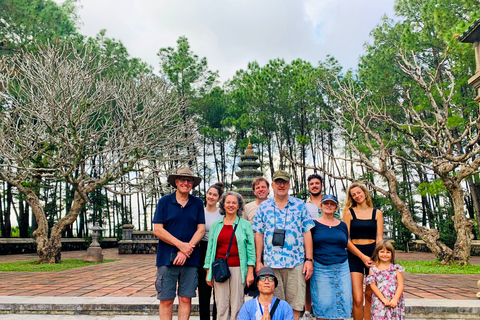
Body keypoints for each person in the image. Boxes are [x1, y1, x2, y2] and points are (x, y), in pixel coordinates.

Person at [253, 170, 315, 320]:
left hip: (295, 262)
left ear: (289, 185)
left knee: (295, 304)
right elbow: (259, 234)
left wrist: (309, 260)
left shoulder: (300, 205)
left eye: (285, 182)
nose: (281, 185)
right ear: (272, 185)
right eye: (278, 182)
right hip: (271, 263)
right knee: (274, 303)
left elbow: (307, 233)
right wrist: (259, 261)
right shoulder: (264, 207)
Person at [153, 167, 206, 320]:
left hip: (190, 259)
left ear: (192, 184)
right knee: (166, 299)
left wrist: (185, 250)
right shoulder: (164, 202)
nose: (185, 183)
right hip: (166, 259)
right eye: (182, 180)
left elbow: (201, 230)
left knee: (185, 298)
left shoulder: (197, 203)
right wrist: (180, 245)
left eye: (189, 180)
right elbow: (157, 229)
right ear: (176, 182)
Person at [204, 191, 256, 320]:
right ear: (223, 205)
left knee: (237, 303)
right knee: (221, 304)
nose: (231, 205)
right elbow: (210, 249)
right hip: (220, 269)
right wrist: (208, 271)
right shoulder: (216, 225)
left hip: (239, 268)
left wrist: (250, 271)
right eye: (228, 202)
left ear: (239, 206)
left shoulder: (245, 225)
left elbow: (250, 249)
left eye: (234, 203)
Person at [342, 182, 384, 320]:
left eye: (359, 193)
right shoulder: (349, 213)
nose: (357, 196)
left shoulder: (377, 213)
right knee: (358, 299)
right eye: (353, 195)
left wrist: (377, 256)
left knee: (370, 295)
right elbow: (346, 239)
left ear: (365, 193)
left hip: (373, 254)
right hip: (355, 255)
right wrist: (362, 256)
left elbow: (379, 237)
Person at [310, 195, 352, 320]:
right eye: (326, 203)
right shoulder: (313, 225)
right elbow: (309, 246)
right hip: (321, 267)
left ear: (336, 208)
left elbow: (346, 244)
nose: (329, 205)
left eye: (332, 204)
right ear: (321, 206)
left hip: (342, 266)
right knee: (323, 302)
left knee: (342, 300)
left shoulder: (343, 225)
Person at [199, 182, 224, 320]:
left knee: (218, 289)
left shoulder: (222, 214)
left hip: (218, 250)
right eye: (209, 194)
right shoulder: (200, 211)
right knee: (204, 289)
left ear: (219, 198)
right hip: (202, 249)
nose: (211, 197)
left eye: (215, 195)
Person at [365, 240, 405, 320]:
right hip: (379, 301)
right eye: (382, 252)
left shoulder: (396, 268)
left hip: (394, 300)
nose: (385, 255)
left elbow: (400, 285)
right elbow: (373, 286)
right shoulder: (373, 269)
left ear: (392, 254)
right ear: (377, 253)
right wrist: (383, 299)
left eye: (388, 252)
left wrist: (395, 299)